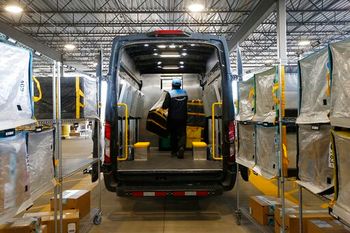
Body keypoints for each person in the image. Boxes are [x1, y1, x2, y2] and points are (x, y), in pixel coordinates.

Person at [162, 79, 188, 159]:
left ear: (172, 85)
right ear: (180, 85)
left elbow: (165, 106)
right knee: (182, 134)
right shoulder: (185, 93)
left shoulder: (170, 93)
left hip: (172, 118)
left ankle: (174, 151)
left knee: (173, 134)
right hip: (183, 117)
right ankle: (181, 147)